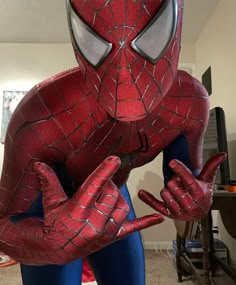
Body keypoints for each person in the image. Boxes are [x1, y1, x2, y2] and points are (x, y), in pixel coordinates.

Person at [0, 0, 225, 284]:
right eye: (96, 45)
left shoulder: (189, 102)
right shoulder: (40, 112)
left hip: (112, 196)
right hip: (49, 211)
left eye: (151, 39)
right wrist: (47, 244)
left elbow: (184, 179)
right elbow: (5, 223)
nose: (124, 74)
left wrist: (195, 200)